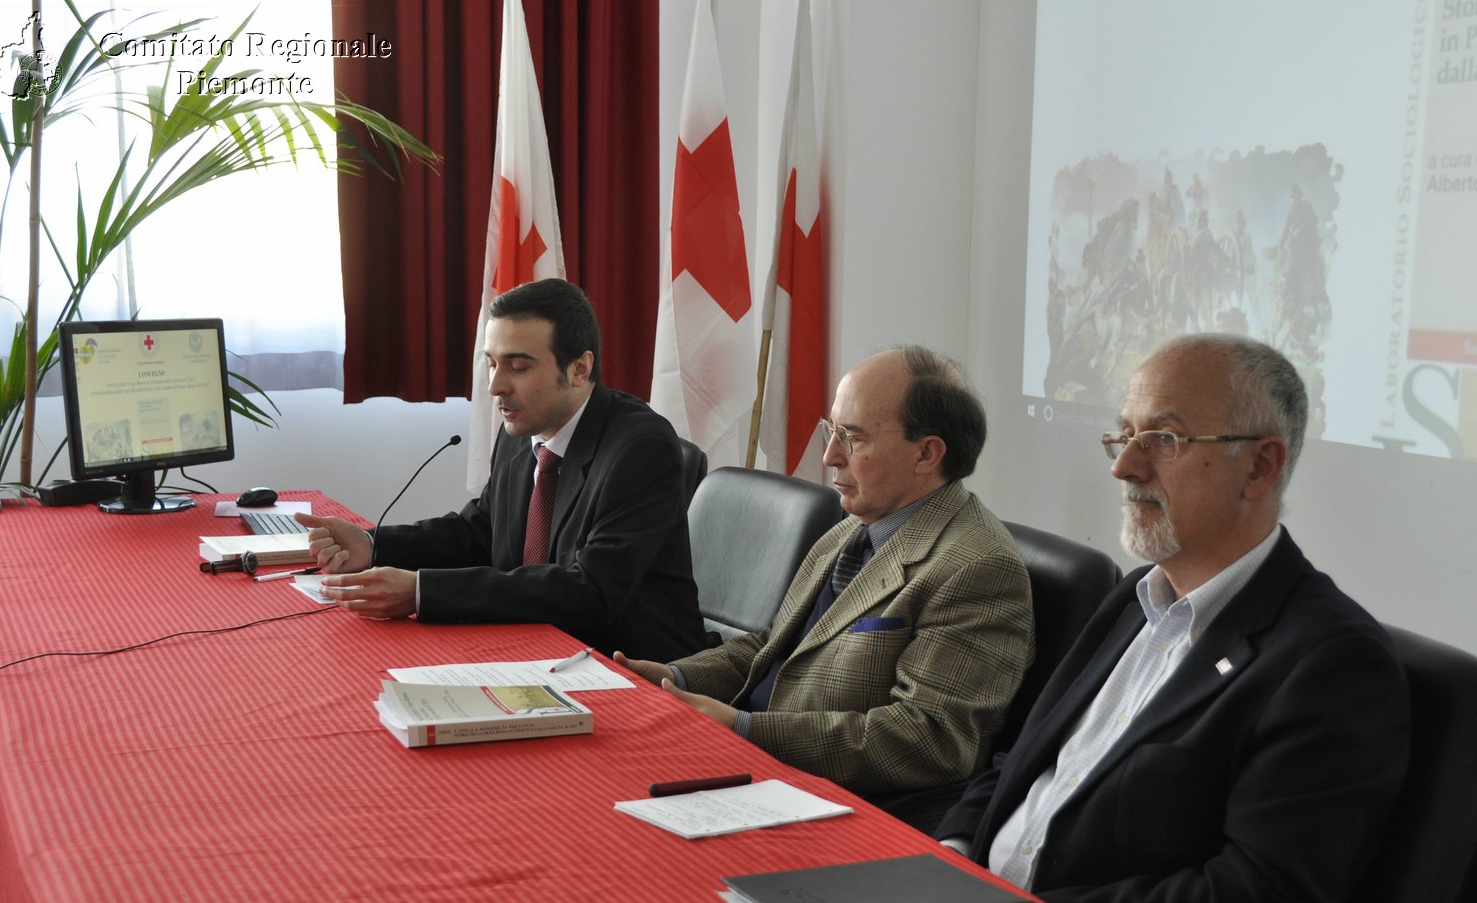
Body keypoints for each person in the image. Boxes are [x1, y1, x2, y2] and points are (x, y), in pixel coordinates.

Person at [936, 334, 1410, 903]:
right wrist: (954, 851)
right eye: (1124, 434)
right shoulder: (1134, 597)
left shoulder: (1329, 664)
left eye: (1164, 438)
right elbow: (1022, 761)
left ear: (1260, 467)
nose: (1123, 466)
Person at [619, 346, 1035, 833]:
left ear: (927, 453)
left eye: (852, 438)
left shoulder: (978, 567)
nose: (829, 456)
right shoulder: (853, 527)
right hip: (760, 774)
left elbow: (930, 740)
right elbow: (772, 647)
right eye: (831, 430)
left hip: (842, 810)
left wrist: (745, 729)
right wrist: (674, 679)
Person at [299, 278, 708, 662]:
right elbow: (479, 531)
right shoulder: (520, 428)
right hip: (534, 647)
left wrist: (422, 591)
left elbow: (590, 590)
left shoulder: (640, 447)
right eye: (492, 364)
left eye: (518, 366)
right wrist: (374, 546)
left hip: (629, 666)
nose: (496, 386)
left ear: (580, 369)